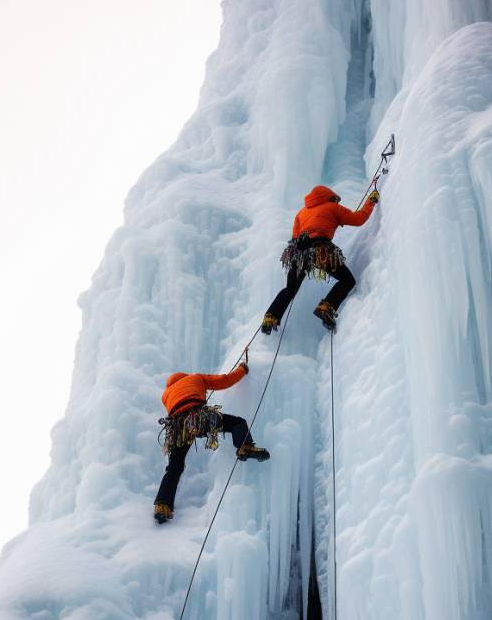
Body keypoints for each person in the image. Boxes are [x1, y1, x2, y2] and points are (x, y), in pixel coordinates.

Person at [154, 363, 270, 523]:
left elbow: (178, 407)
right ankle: (245, 446)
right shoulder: (195, 377)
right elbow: (224, 381)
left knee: (174, 467)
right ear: (184, 375)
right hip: (199, 418)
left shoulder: (166, 394)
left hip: (178, 428)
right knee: (237, 423)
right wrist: (242, 370)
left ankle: (162, 505)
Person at [261, 184, 379, 333]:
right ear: (330, 197)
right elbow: (358, 219)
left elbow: (295, 237)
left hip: (298, 253)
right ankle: (326, 307)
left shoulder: (301, 213)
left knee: (290, 289)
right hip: (320, 250)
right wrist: (371, 201)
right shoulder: (332, 207)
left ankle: (271, 316)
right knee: (347, 280)